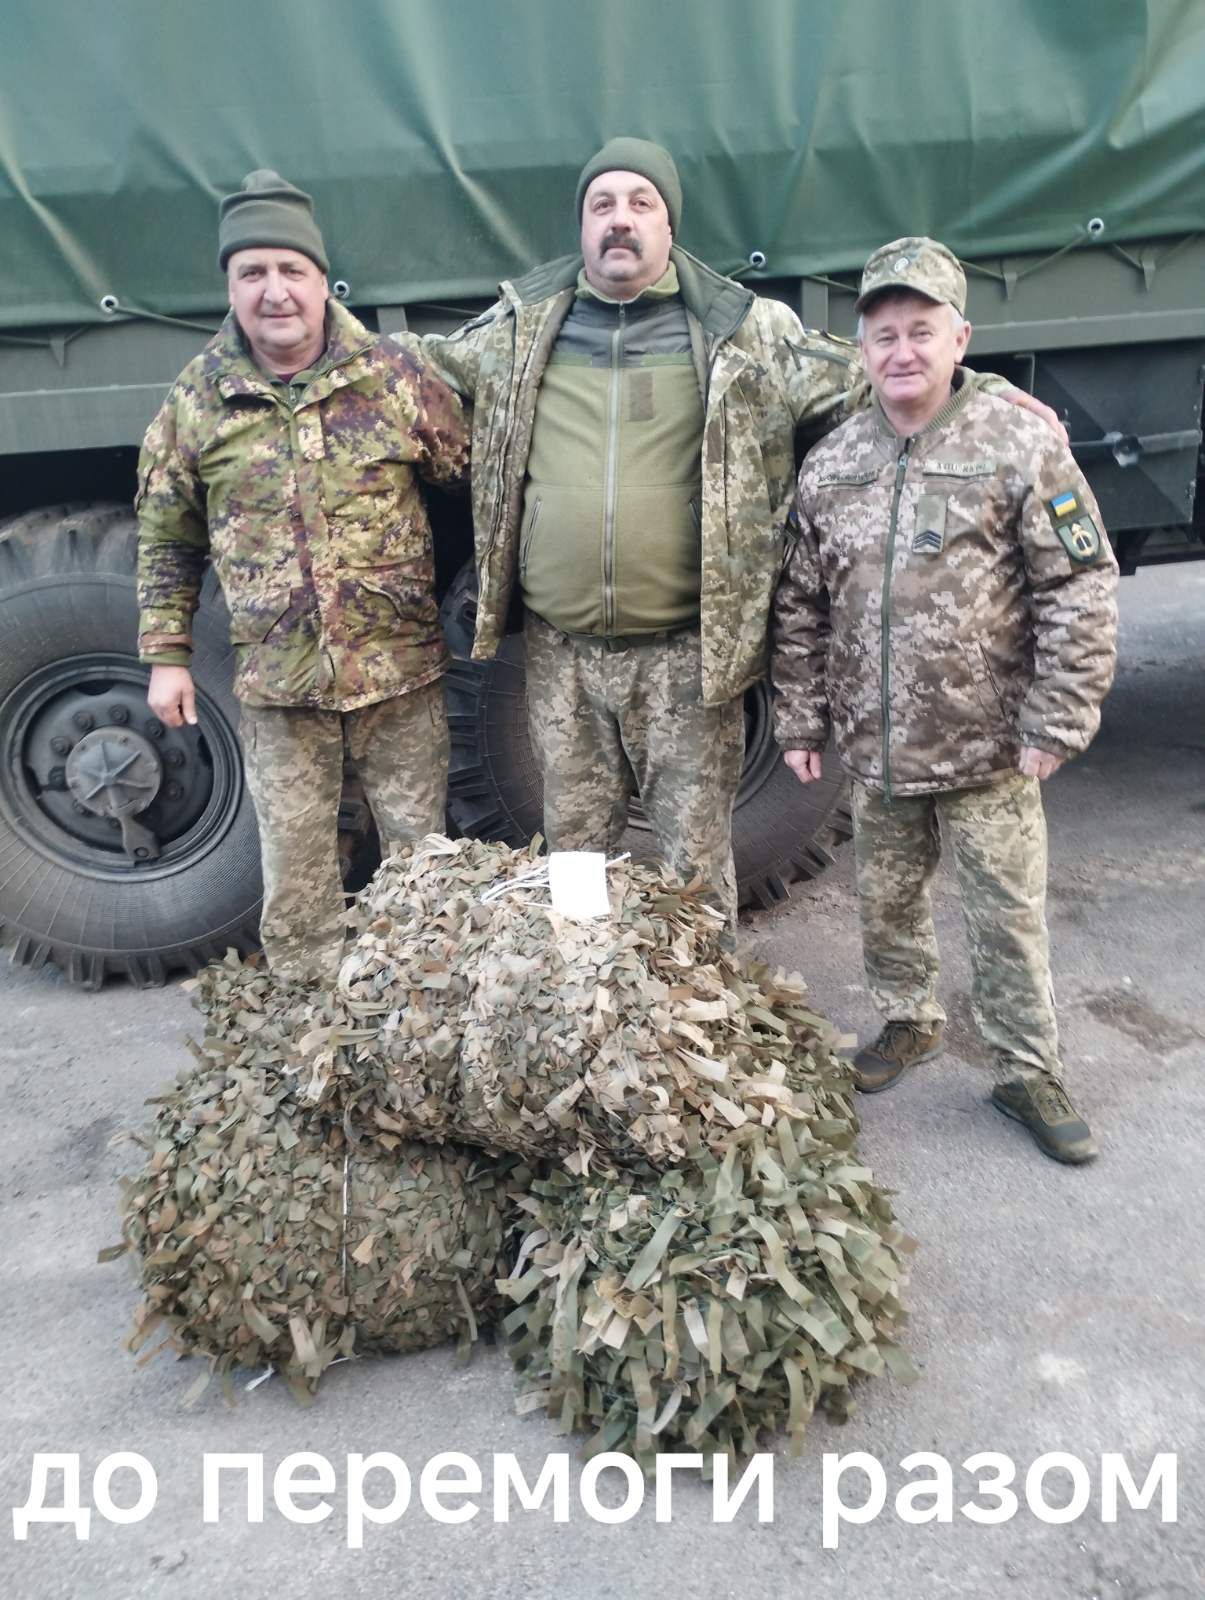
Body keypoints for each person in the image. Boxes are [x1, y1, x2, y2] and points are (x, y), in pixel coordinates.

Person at [416, 138, 1062, 929]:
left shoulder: (743, 330)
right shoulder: (517, 330)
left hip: (685, 660)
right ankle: (584, 981)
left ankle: (701, 989)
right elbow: (414, 368)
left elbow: (876, 373)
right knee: (576, 862)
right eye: (601, 205)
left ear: (669, 224)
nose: (620, 220)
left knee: (694, 866)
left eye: (640, 203)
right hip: (562, 658)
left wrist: (980, 387)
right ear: (581, 225)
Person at [772, 236, 1118, 1163]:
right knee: (884, 901)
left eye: (921, 331)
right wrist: (800, 719)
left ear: (959, 338)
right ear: (861, 349)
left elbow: (1078, 585)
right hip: (877, 747)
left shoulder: (1017, 441)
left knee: (1005, 917)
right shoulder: (833, 462)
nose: (902, 352)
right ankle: (907, 1019)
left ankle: (1026, 1070)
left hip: (988, 745)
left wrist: (1058, 717)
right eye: (884, 335)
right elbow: (799, 602)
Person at [136, 170, 470, 981]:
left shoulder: (393, 376)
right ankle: (309, 1011)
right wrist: (167, 655)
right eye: (252, 272)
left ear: (324, 282)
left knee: (424, 866)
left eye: (291, 270)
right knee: (295, 878)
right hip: (279, 686)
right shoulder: (199, 400)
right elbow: (167, 532)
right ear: (230, 287)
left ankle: (422, 1003)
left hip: (398, 675)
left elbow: (469, 479)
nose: (274, 291)